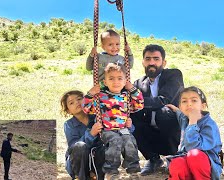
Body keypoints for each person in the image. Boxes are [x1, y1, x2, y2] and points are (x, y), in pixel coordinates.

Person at [130, 44, 184, 176]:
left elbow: (163, 100)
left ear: (163, 62)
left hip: (174, 129)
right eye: (148, 59)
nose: (151, 62)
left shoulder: (173, 75)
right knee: (129, 119)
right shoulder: (137, 84)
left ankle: (173, 157)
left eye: (156, 59)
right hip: (151, 129)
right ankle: (153, 159)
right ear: (143, 62)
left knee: (164, 112)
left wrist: (136, 103)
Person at [83, 63, 144, 179]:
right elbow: (87, 109)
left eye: (120, 78)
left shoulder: (126, 96)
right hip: (107, 130)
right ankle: (111, 171)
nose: (116, 82)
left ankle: (133, 170)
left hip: (123, 129)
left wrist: (132, 89)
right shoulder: (101, 96)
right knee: (115, 141)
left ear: (125, 81)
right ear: (105, 82)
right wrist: (90, 94)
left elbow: (139, 105)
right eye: (111, 78)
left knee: (130, 141)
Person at [166, 86, 222, 180]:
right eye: (184, 101)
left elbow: (194, 147)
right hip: (187, 163)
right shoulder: (185, 118)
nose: (189, 104)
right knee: (177, 163)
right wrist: (175, 109)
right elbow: (180, 114)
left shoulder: (209, 125)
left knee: (194, 155)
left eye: (194, 101)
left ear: (203, 106)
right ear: (180, 106)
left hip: (206, 166)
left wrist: (193, 123)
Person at [62, 90, 105, 180]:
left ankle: (97, 175)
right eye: (71, 103)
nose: (77, 102)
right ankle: (79, 177)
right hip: (78, 162)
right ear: (68, 111)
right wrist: (91, 134)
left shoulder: (96, 117)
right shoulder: (69, 124)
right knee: (79, 146)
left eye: (79, 99)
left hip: (97, 159)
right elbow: (74, 146)